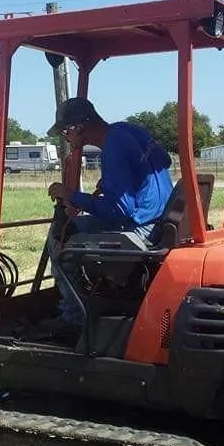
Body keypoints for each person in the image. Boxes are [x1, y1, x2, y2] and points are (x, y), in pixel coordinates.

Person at [44, 98, 174, 331]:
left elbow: (120, 211)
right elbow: (165, 160)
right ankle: (98, 294)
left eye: (66, 132)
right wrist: (123, 180)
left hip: (142, 227)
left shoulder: (112, 147)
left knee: (61, 240)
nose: (66, 138)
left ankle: (73, 319)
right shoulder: (127, 129)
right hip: (162, 218)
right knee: (76, 229)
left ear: (78, 128)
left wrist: (71, 195)